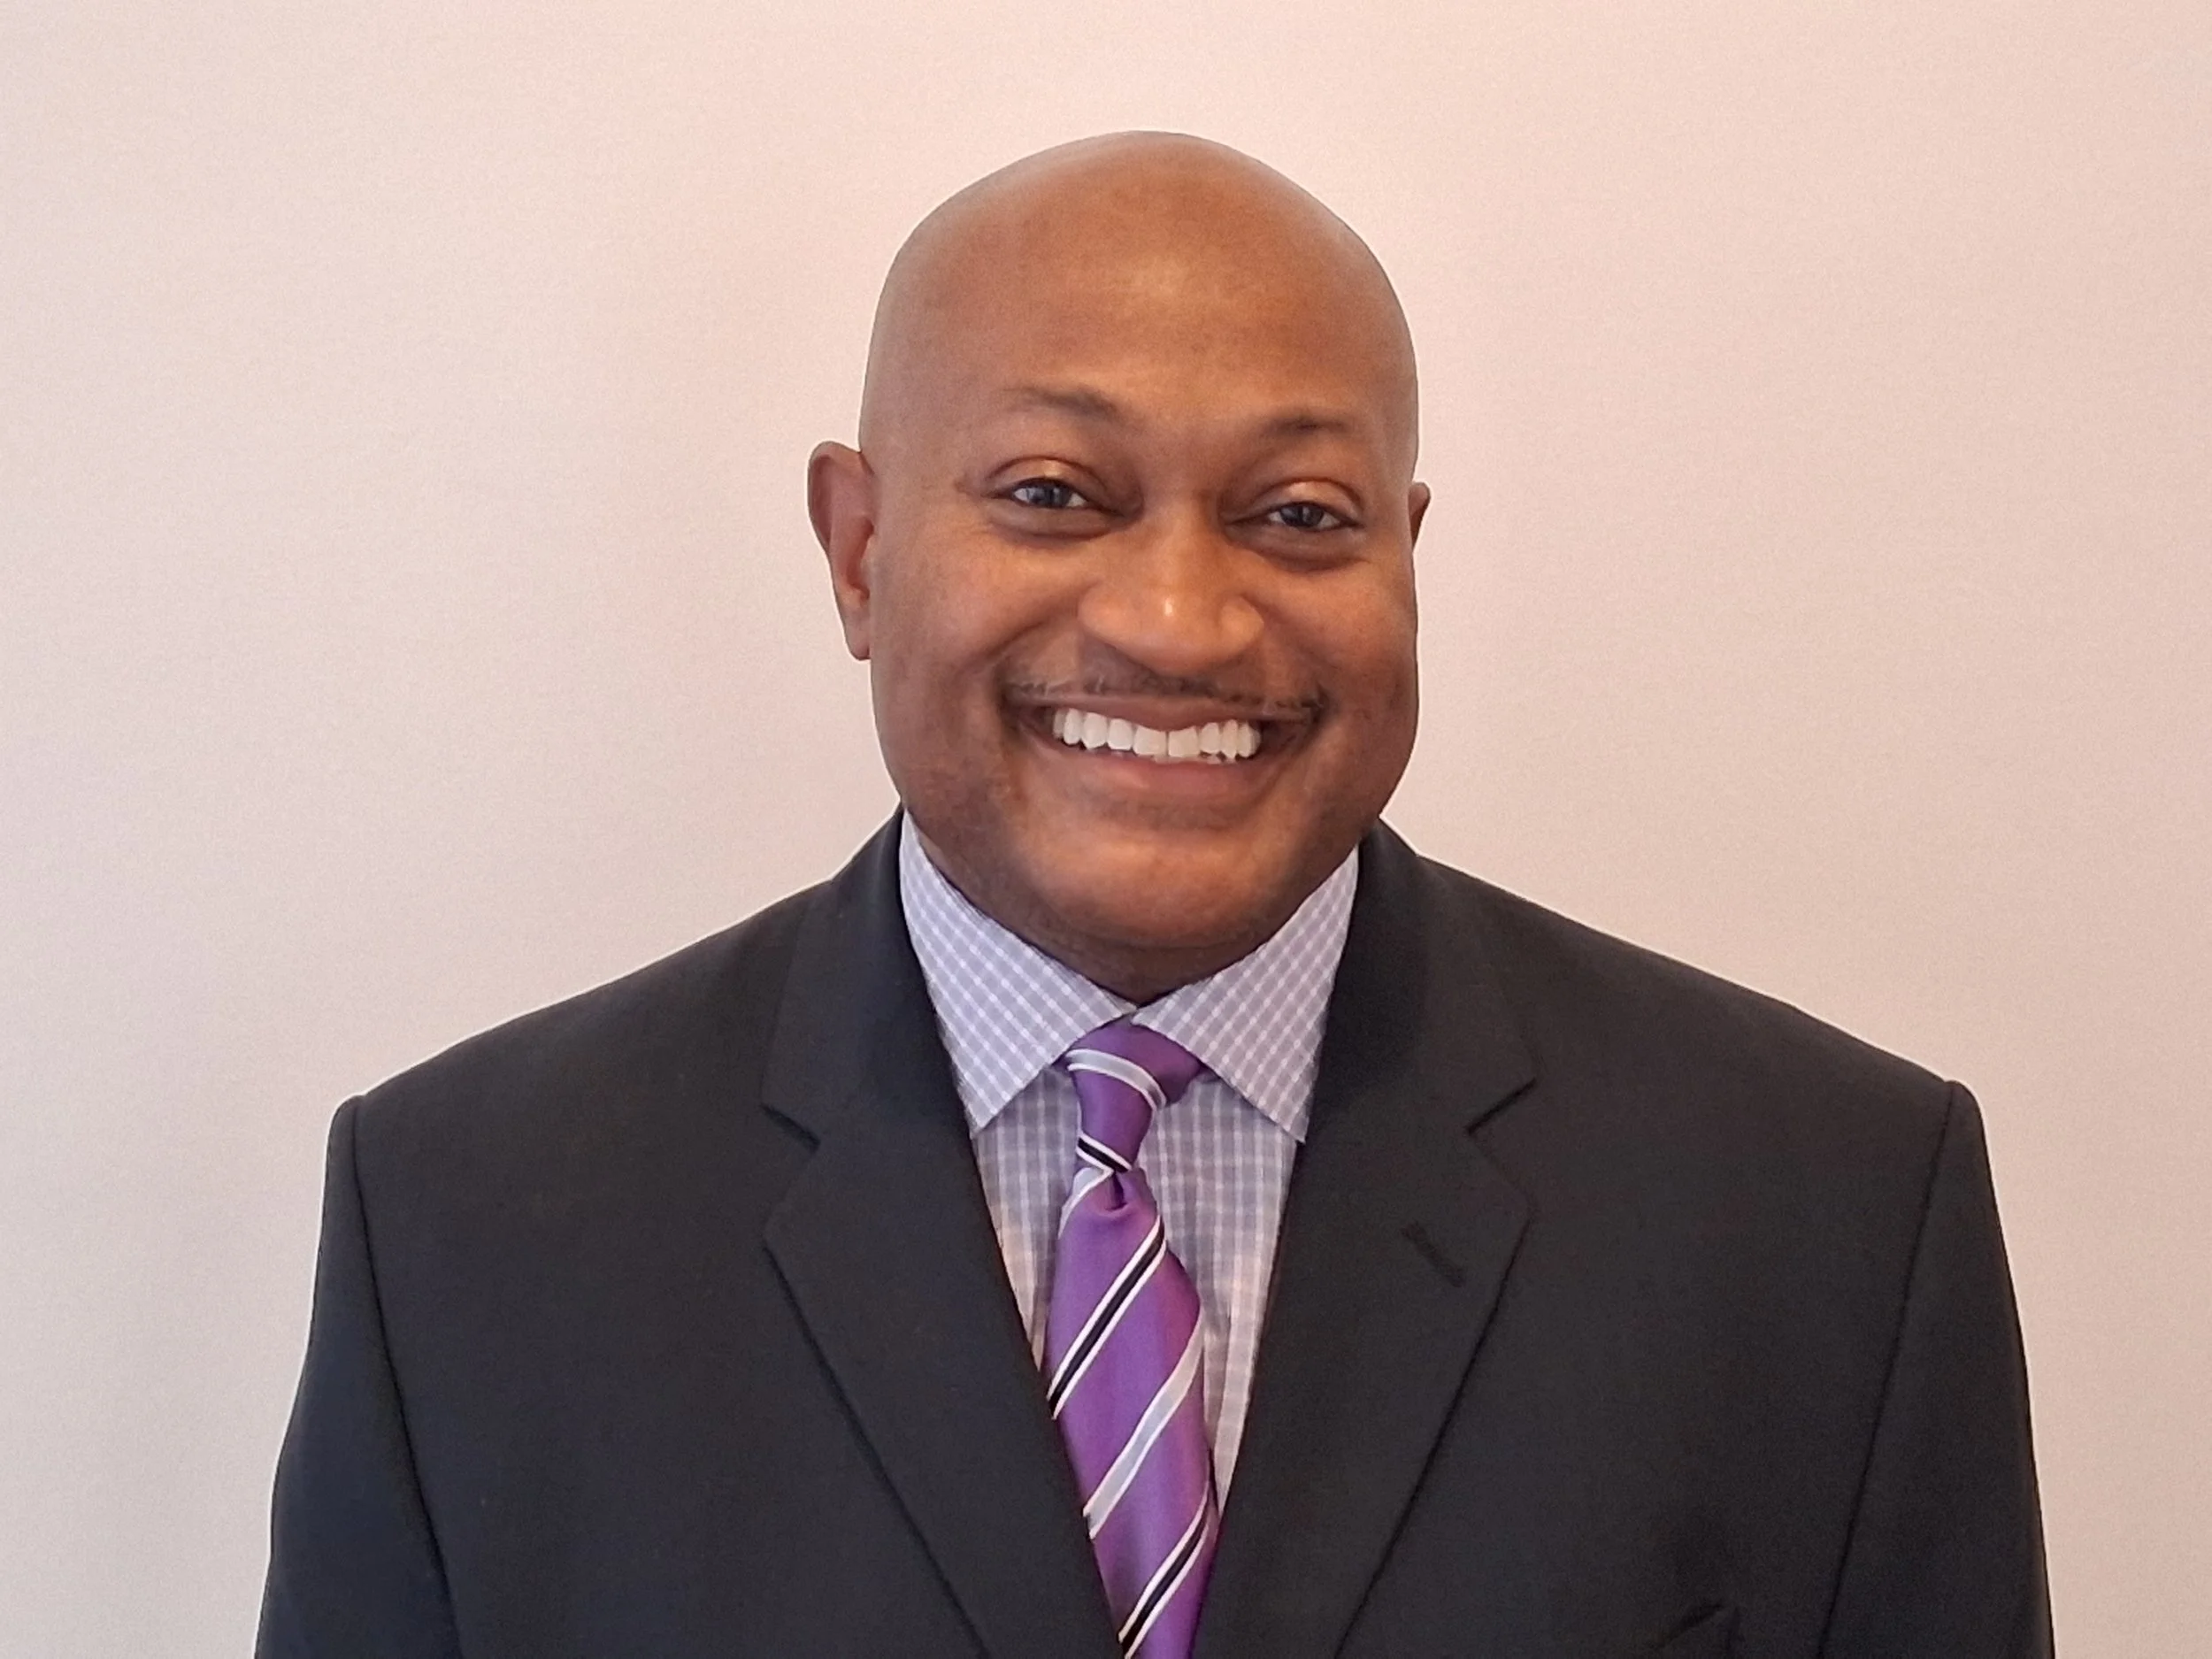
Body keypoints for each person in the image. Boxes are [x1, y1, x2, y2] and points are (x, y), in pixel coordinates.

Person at [257, 134, 2050, 1658]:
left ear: (1406, 552)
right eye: (1054, 493)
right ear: (861, 551)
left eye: (1299, 514)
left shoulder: (1830, 1214)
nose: (1180, 622)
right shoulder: (466, 1228)